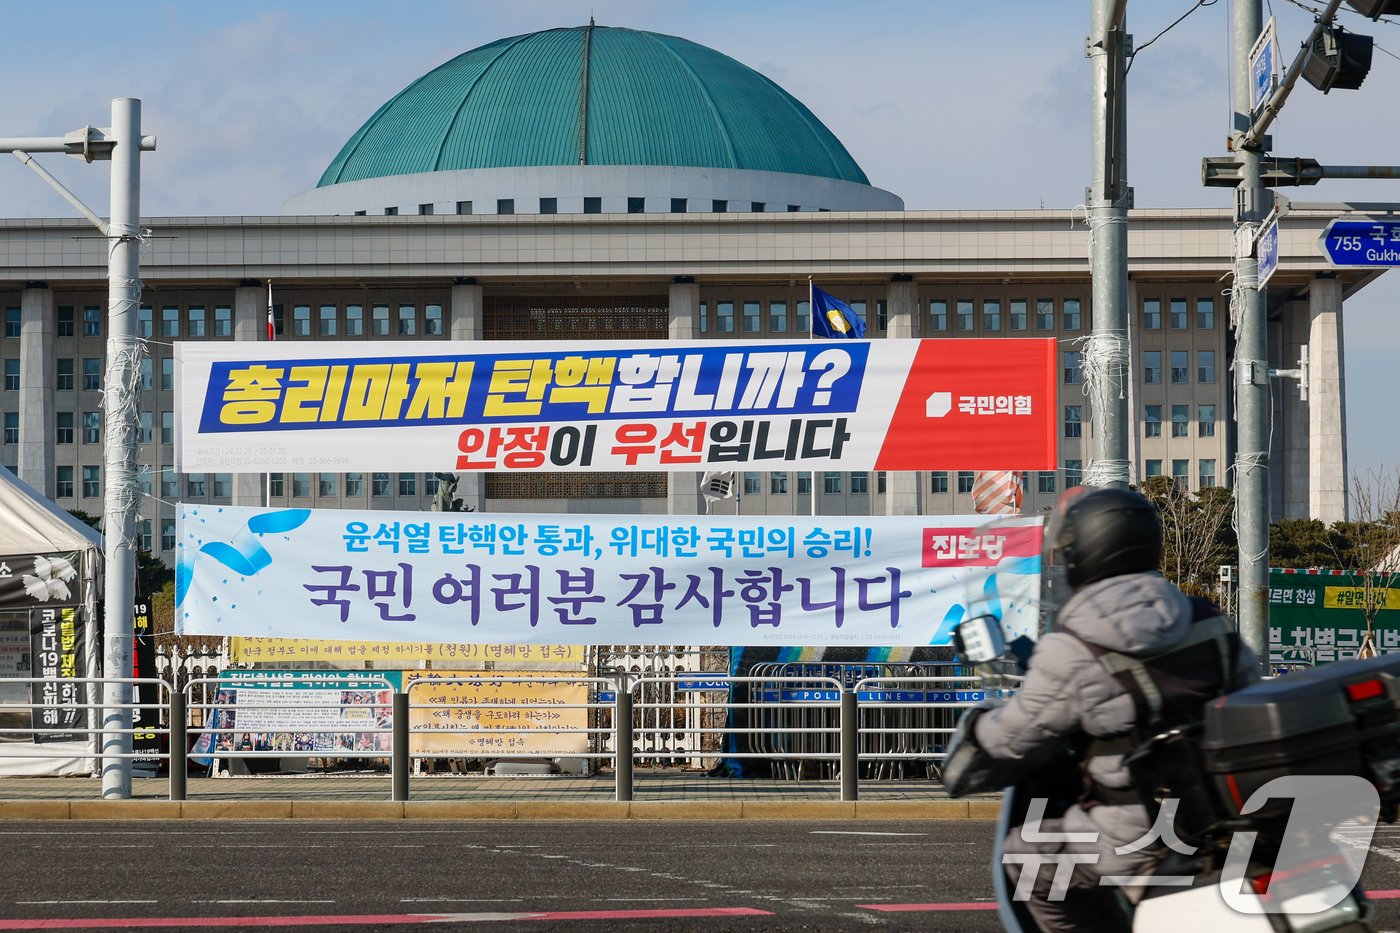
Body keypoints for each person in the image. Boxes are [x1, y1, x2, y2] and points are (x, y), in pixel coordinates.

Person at [967, 486, 1260, 933]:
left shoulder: (1075, 646)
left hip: (1139, 831)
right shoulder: (1211, 624)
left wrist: (976, 732)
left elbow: (1009, 738)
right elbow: (1247, 702)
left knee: (1031, 860)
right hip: (1226, 816)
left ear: (1085, 553)